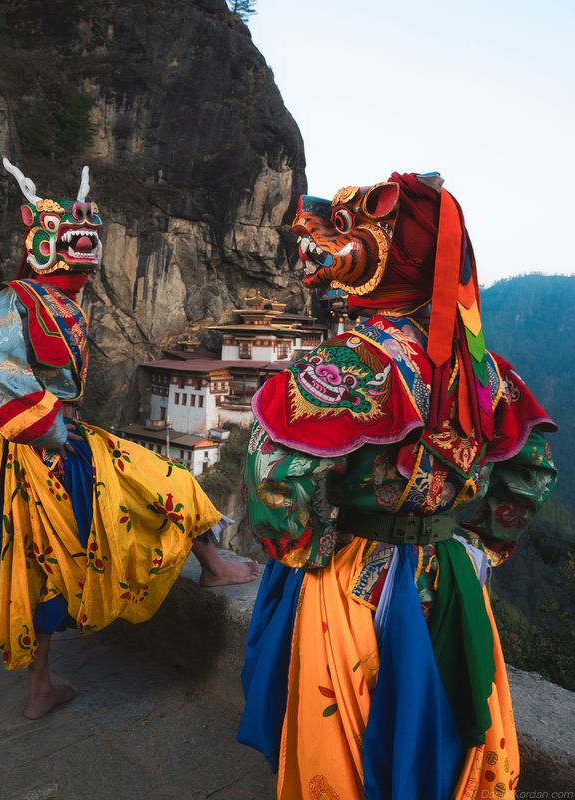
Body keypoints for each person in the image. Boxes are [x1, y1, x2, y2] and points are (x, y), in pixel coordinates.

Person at [237, 173, 557, 799]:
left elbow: (272, 468)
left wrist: (305, 547)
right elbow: (532, 468)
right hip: (448, 569)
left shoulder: (344, 363)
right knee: (440, 731)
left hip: (356, 575)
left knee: (351, 739)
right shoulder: (486, 369)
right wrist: (484, 547)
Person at [0, 158, 258, 720]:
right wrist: (50, 428)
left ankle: (41, 687)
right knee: (45, 557)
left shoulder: (54, 301)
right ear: (40, 243)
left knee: (47, 553)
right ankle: (43, 685)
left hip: (51, 442)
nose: (84, 247)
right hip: (42, 449)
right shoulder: (18, 299)